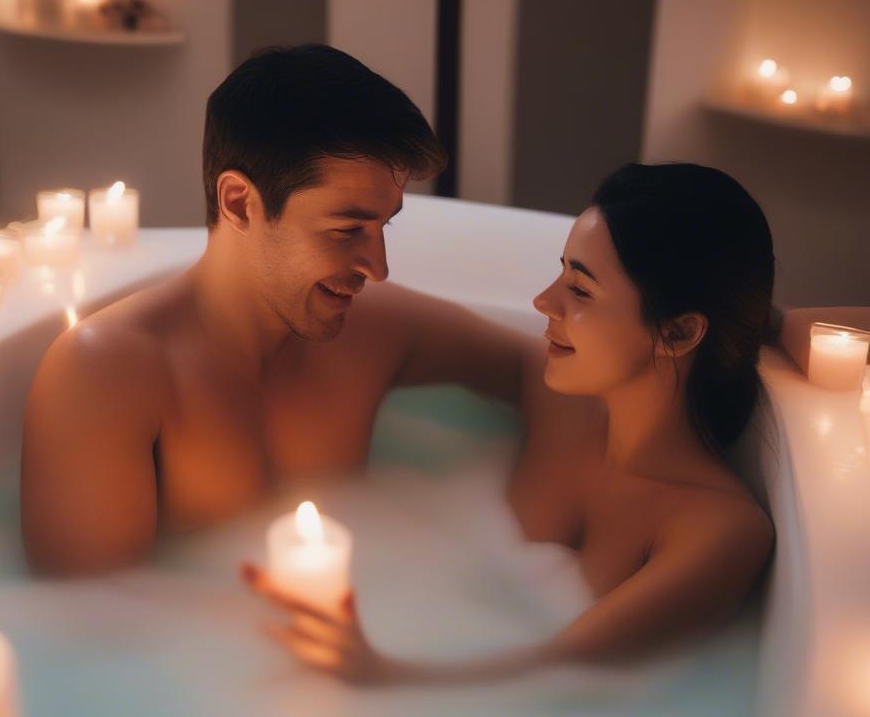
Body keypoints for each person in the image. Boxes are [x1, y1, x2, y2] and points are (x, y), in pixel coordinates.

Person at [244, 163, 777, 681]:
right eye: (561, 271)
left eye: (581, 290)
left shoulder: (719, 528)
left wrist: (383, 673)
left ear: (680, 333)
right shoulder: (557, 401)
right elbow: (385, 323)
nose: (544, 300)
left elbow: (562, 665)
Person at [21, 44, 527, 575]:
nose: (378, 267)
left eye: (384, 226)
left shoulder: (375, 331)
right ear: (239, 202)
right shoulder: (104, 373)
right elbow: (87, 627)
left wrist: (536, 530)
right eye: (346, 230)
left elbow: (540, 364)